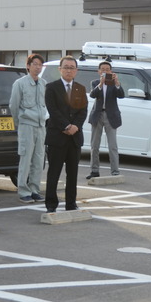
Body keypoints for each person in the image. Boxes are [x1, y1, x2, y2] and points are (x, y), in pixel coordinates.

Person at [44, 56, 87, 213]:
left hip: (75, 137)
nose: (69, 70)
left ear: (76, 70)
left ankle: (71, 203)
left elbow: (83, 111)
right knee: (54, 172)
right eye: (66, 67)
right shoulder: (51, 87)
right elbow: (52, 110)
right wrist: (66, 125)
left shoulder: (81, 89)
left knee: (73, 173)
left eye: (72, 67)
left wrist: (75, 126)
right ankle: (51, 204)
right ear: (60, 69)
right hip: (57, 136)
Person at [9, 53, 48, 204]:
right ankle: (23, 190)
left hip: (41, 125)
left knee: (38, 159)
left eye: (40, 65)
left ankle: (34, 189)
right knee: (25, 158)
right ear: (28, 66)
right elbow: (14, 105)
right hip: (26, 125)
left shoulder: (44, 83)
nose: (37, 67)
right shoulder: (20, 83)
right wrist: (20, 122)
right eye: (35, 64)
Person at [87, 60, 125, 179]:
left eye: (107, 69)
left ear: (111, 71)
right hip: (97, 116)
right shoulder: (95, 83)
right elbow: (93, 95)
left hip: (111, 116)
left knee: (112, 145)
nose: (105, 71)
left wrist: (117, 82)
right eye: (102, 69)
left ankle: (115, 171)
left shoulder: (114, 84)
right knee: (94, 145)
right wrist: (101, 84)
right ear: (98, 71)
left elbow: (121, 95)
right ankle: (94, 171)